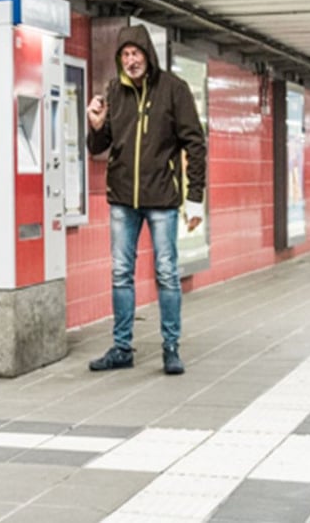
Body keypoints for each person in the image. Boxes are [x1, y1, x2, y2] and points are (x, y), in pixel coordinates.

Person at [86, 25, 206, 375]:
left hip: (162, 199)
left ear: (147, 55)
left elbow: (195, 144)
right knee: (121, 272)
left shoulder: (173, 90)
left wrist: (194, 199)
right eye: (124, 55)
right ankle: (122, 347)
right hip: (123, 198)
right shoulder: (114, 92)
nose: (130, 60)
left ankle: (171, 347)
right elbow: (100, 146)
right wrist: (95, 125)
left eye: (135, 53)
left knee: (166, 273)